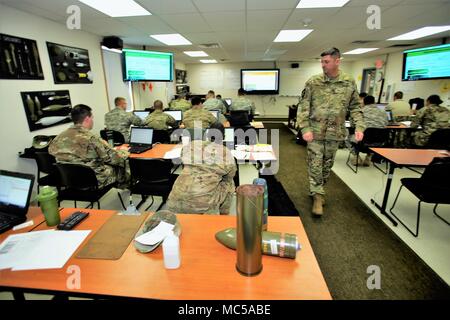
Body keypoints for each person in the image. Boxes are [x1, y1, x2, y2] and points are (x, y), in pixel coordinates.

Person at [297, 47, 365, 216]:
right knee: (315, 164)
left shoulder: (349, 82)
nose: (323, 65)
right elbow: (303, 106)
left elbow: (355, 107)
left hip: (335, 133)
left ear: (337, 61)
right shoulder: (313, 82)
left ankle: (318, 189)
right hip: (315, 132)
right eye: (321, 62)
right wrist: (304, 128)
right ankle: (318, 196)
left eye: (326, 62)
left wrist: (359, 126)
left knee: (327, 165)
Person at [49, 104, 129, 188]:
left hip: (69, 180)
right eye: (92, 118)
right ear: (87, 119)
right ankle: (128, 188)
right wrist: (124, 151)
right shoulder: (91, 138)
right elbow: (115, 159)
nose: (92, 120)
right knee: (124, 164)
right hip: (94, 179)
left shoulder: (57, 138)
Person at [166, 126, 237, 214]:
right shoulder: (225, 151)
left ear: (207, 134)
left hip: (176, 197)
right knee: (229, 182)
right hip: (201, 205)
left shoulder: (192, 144)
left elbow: (182, 157)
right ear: (224, 136)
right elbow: (231, 175)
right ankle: (223, 216)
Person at [351, 95, 388, 166]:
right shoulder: (383, 112)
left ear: (364, 103)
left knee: (348, 137)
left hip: (362, 140)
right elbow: (386, 124)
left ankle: (356, 157)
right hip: (380, 141)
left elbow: (353, 125)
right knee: (372, 136)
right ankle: (369, 157)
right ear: (374, 102)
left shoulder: (360, 112)